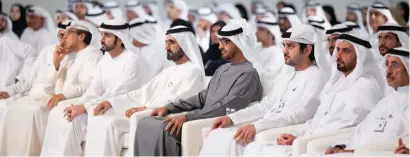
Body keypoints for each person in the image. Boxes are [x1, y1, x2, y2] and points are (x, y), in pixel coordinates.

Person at [134, 18, 264, 156]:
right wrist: (169, 107)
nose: (220, 46)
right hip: (201, 116)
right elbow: (203, 97)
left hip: (215, 122)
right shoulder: (223, 69)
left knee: (165, 128)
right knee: (145, 122)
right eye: (220, 41)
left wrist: (188, 117)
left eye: (225, 42)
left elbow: (226, 107)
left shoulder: (249, 73)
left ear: (239, 43)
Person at [241, 33, 384, 156]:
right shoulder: (336, 84)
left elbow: (352, 130)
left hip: (327, 146)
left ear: (360, 56)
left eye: (345, 51)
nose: (338, 55)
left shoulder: (365, 86)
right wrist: (297, 136)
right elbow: (317, 120)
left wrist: (302, 140)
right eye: (338, 50)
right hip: (308, 140)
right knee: (254, 148)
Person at [199, 24, 327, 156]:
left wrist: (257, 127)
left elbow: (298, 115)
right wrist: (232, 118)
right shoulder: (287, 74)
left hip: (282, 130)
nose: (284, 51)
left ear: (307, 50)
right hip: (266, 124)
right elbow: (266, 106)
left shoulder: (317, 77)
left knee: (234, 140)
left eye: (291, 46)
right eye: (284, 45)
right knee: (217, 134)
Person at [83, 23, 207, 156]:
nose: (166, 47)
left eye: (171, 42)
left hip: (168, 116)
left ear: (184, 44)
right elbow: (143, 92)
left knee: (112, 123)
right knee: (103, 121)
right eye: (166, 42)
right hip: (150, 111)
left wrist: (145, 107)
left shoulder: (194, 71)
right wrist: (111, 102)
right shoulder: (169, 71)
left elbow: (182, 100)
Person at [40, 19, 145, 156]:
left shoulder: (133, 60)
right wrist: (79, 104)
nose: (102, 39)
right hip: (101, 104)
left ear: (120, 39)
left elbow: (118, 92)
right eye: (101, 34)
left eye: (107, 35)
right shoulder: (106, 59)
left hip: (122, 106)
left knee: (84, 120)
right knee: (64, 114)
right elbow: (94, 88)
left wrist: (85, 107)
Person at [0, 20, 102, 156]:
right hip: (54, 99)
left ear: (81, 36)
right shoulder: (66, 53)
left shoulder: (91, 54)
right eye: (62, 34)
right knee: (12, 109)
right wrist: (56, 63)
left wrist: (62, 95)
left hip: (66, 101)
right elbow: (39, 81)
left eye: (68, 33)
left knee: (36, 113)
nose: (64, 37)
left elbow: (88, 85)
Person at [324, 47, 409, 155]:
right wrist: (341, 146)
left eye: (395, 65)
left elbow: (395, 138)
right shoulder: (388, 100)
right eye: (387, 64)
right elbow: (362, 128)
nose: (388, 70)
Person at [375, 23, 409, 95]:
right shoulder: (378, 64)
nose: (382, 43)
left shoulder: (407, 63)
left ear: (399, 40)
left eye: (387, 37)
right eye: (380, 38)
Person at [253, 16, 285, 94]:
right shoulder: (255, 49)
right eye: (257, 29)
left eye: (261, 29)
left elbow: (267, 76)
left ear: (271, 33)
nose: (256, 32)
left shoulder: (277, 53)